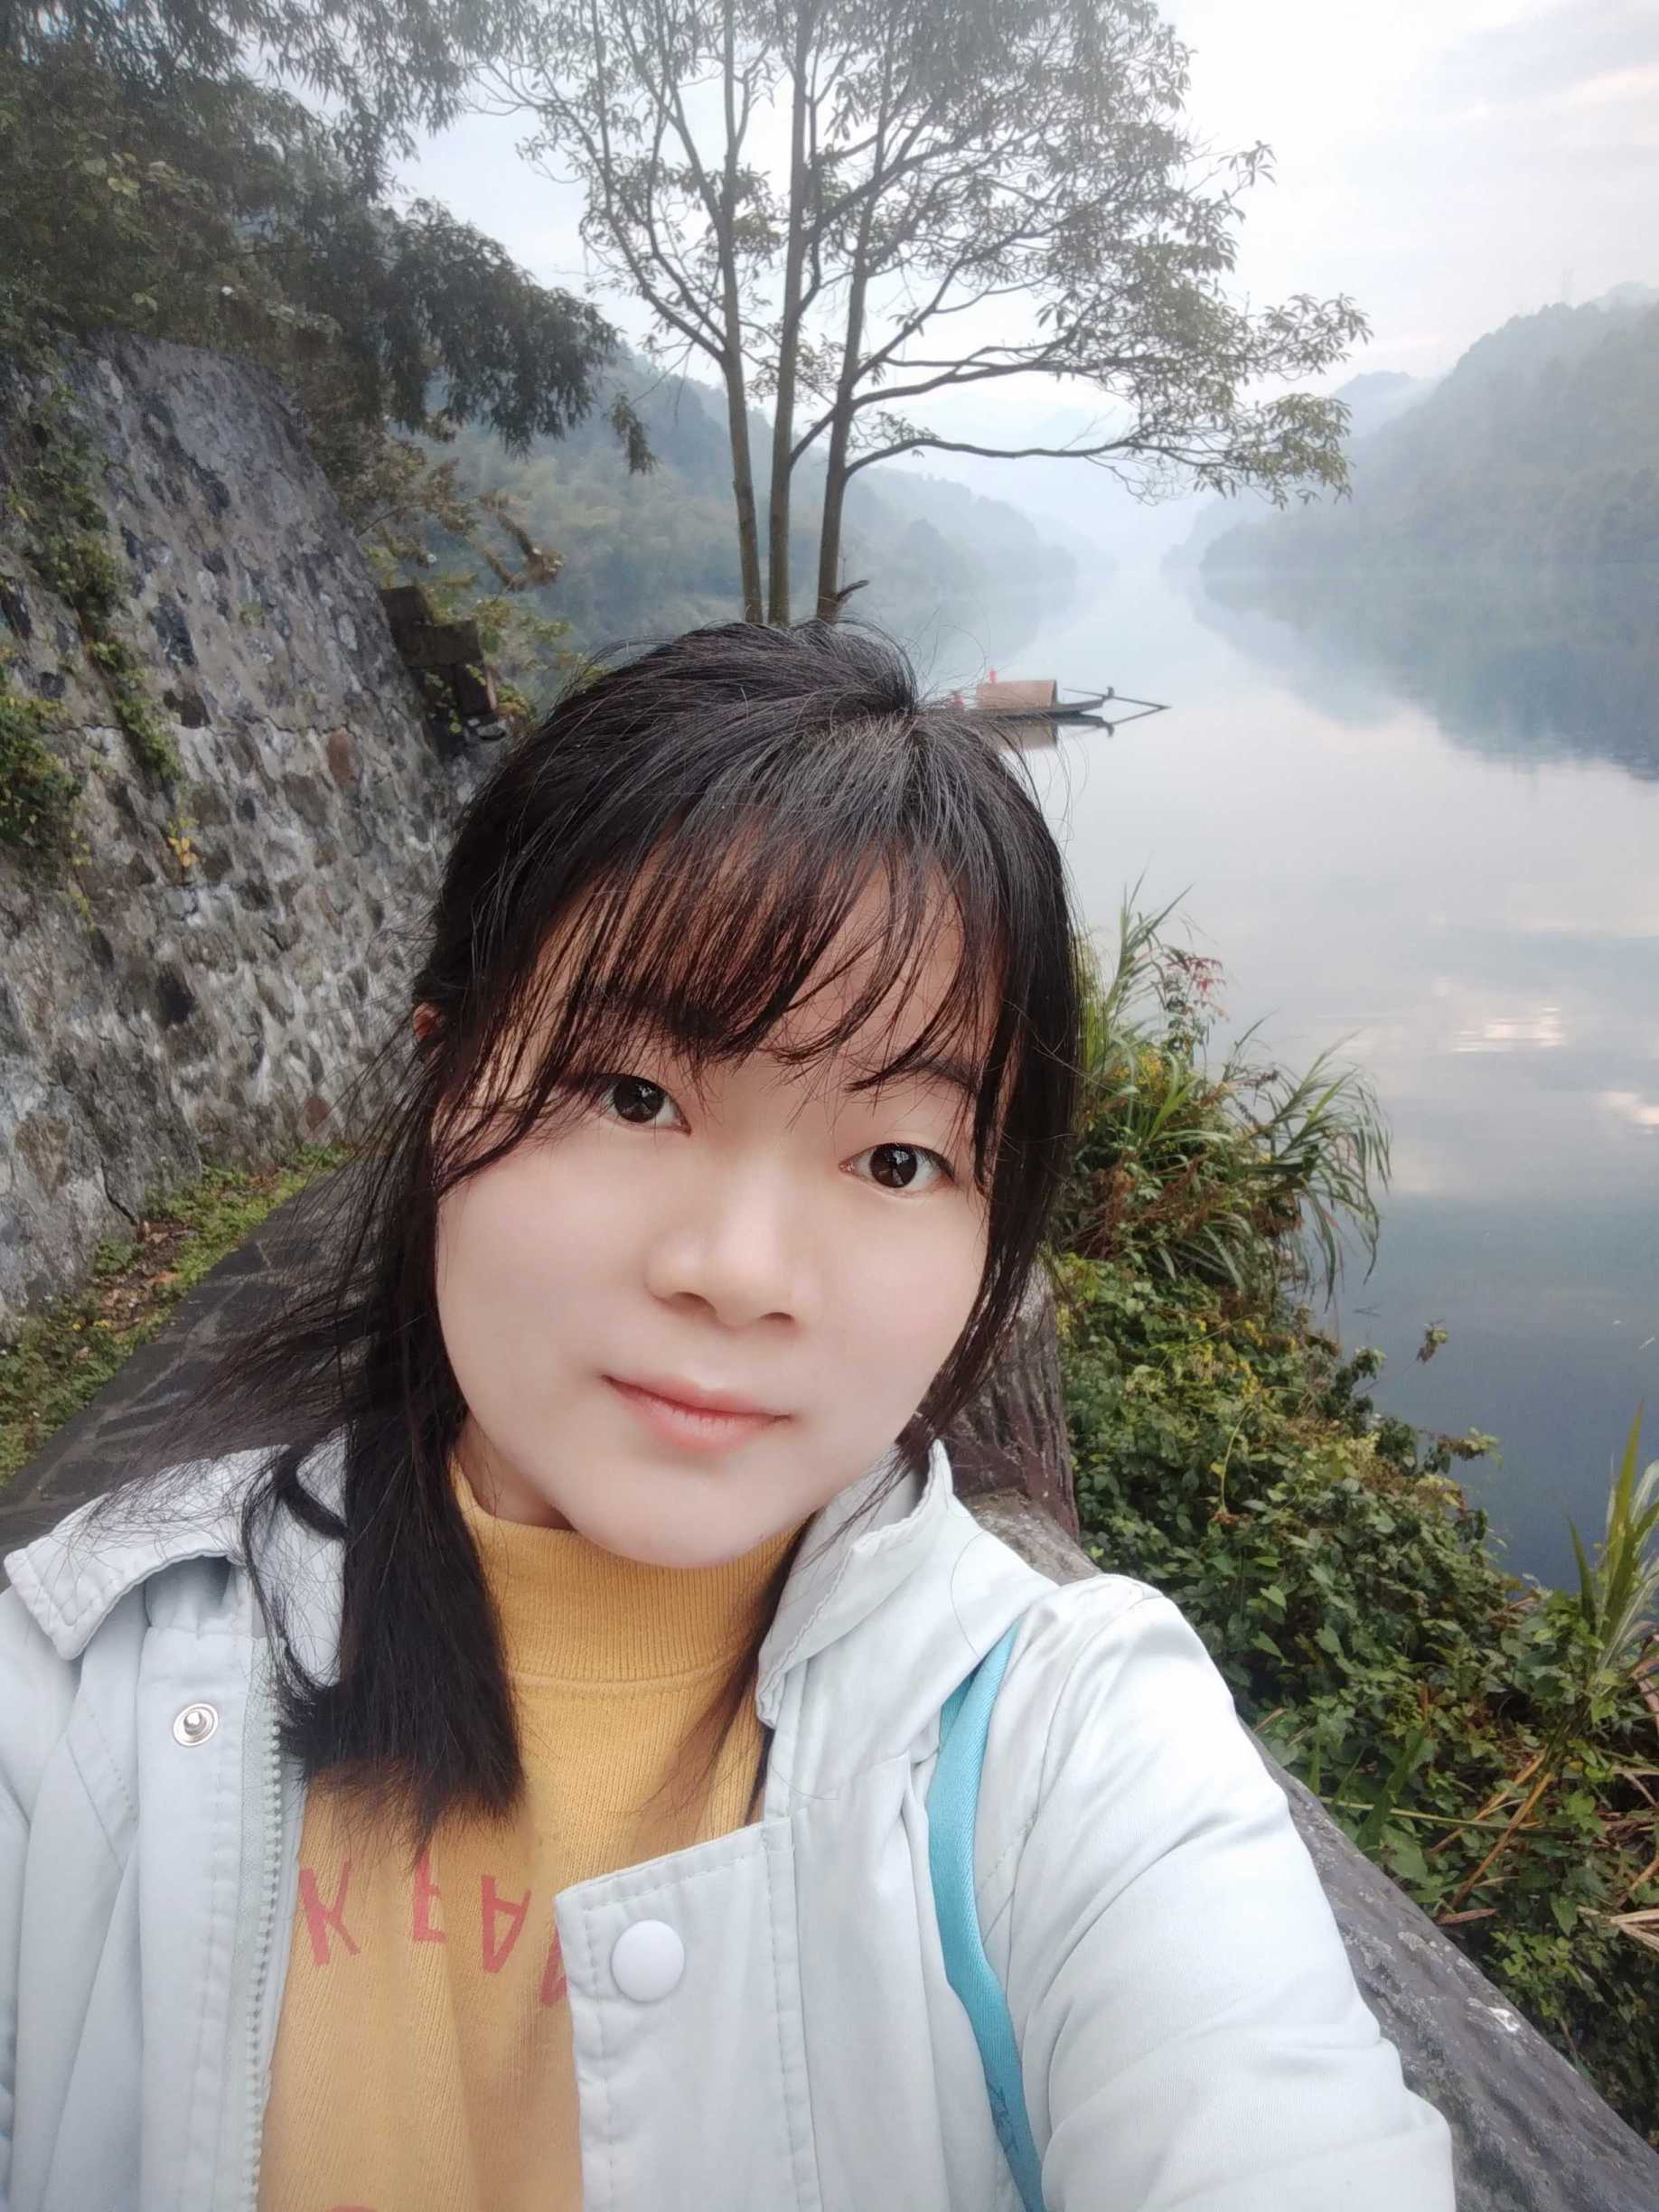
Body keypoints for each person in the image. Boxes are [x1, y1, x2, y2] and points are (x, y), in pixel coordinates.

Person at [0, 620, 1457, 2212]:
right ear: (443, 1078)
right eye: (634, 1096)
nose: (741, 1274)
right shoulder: (76, 1688)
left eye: (897, 1160)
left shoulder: (1075, 1755)